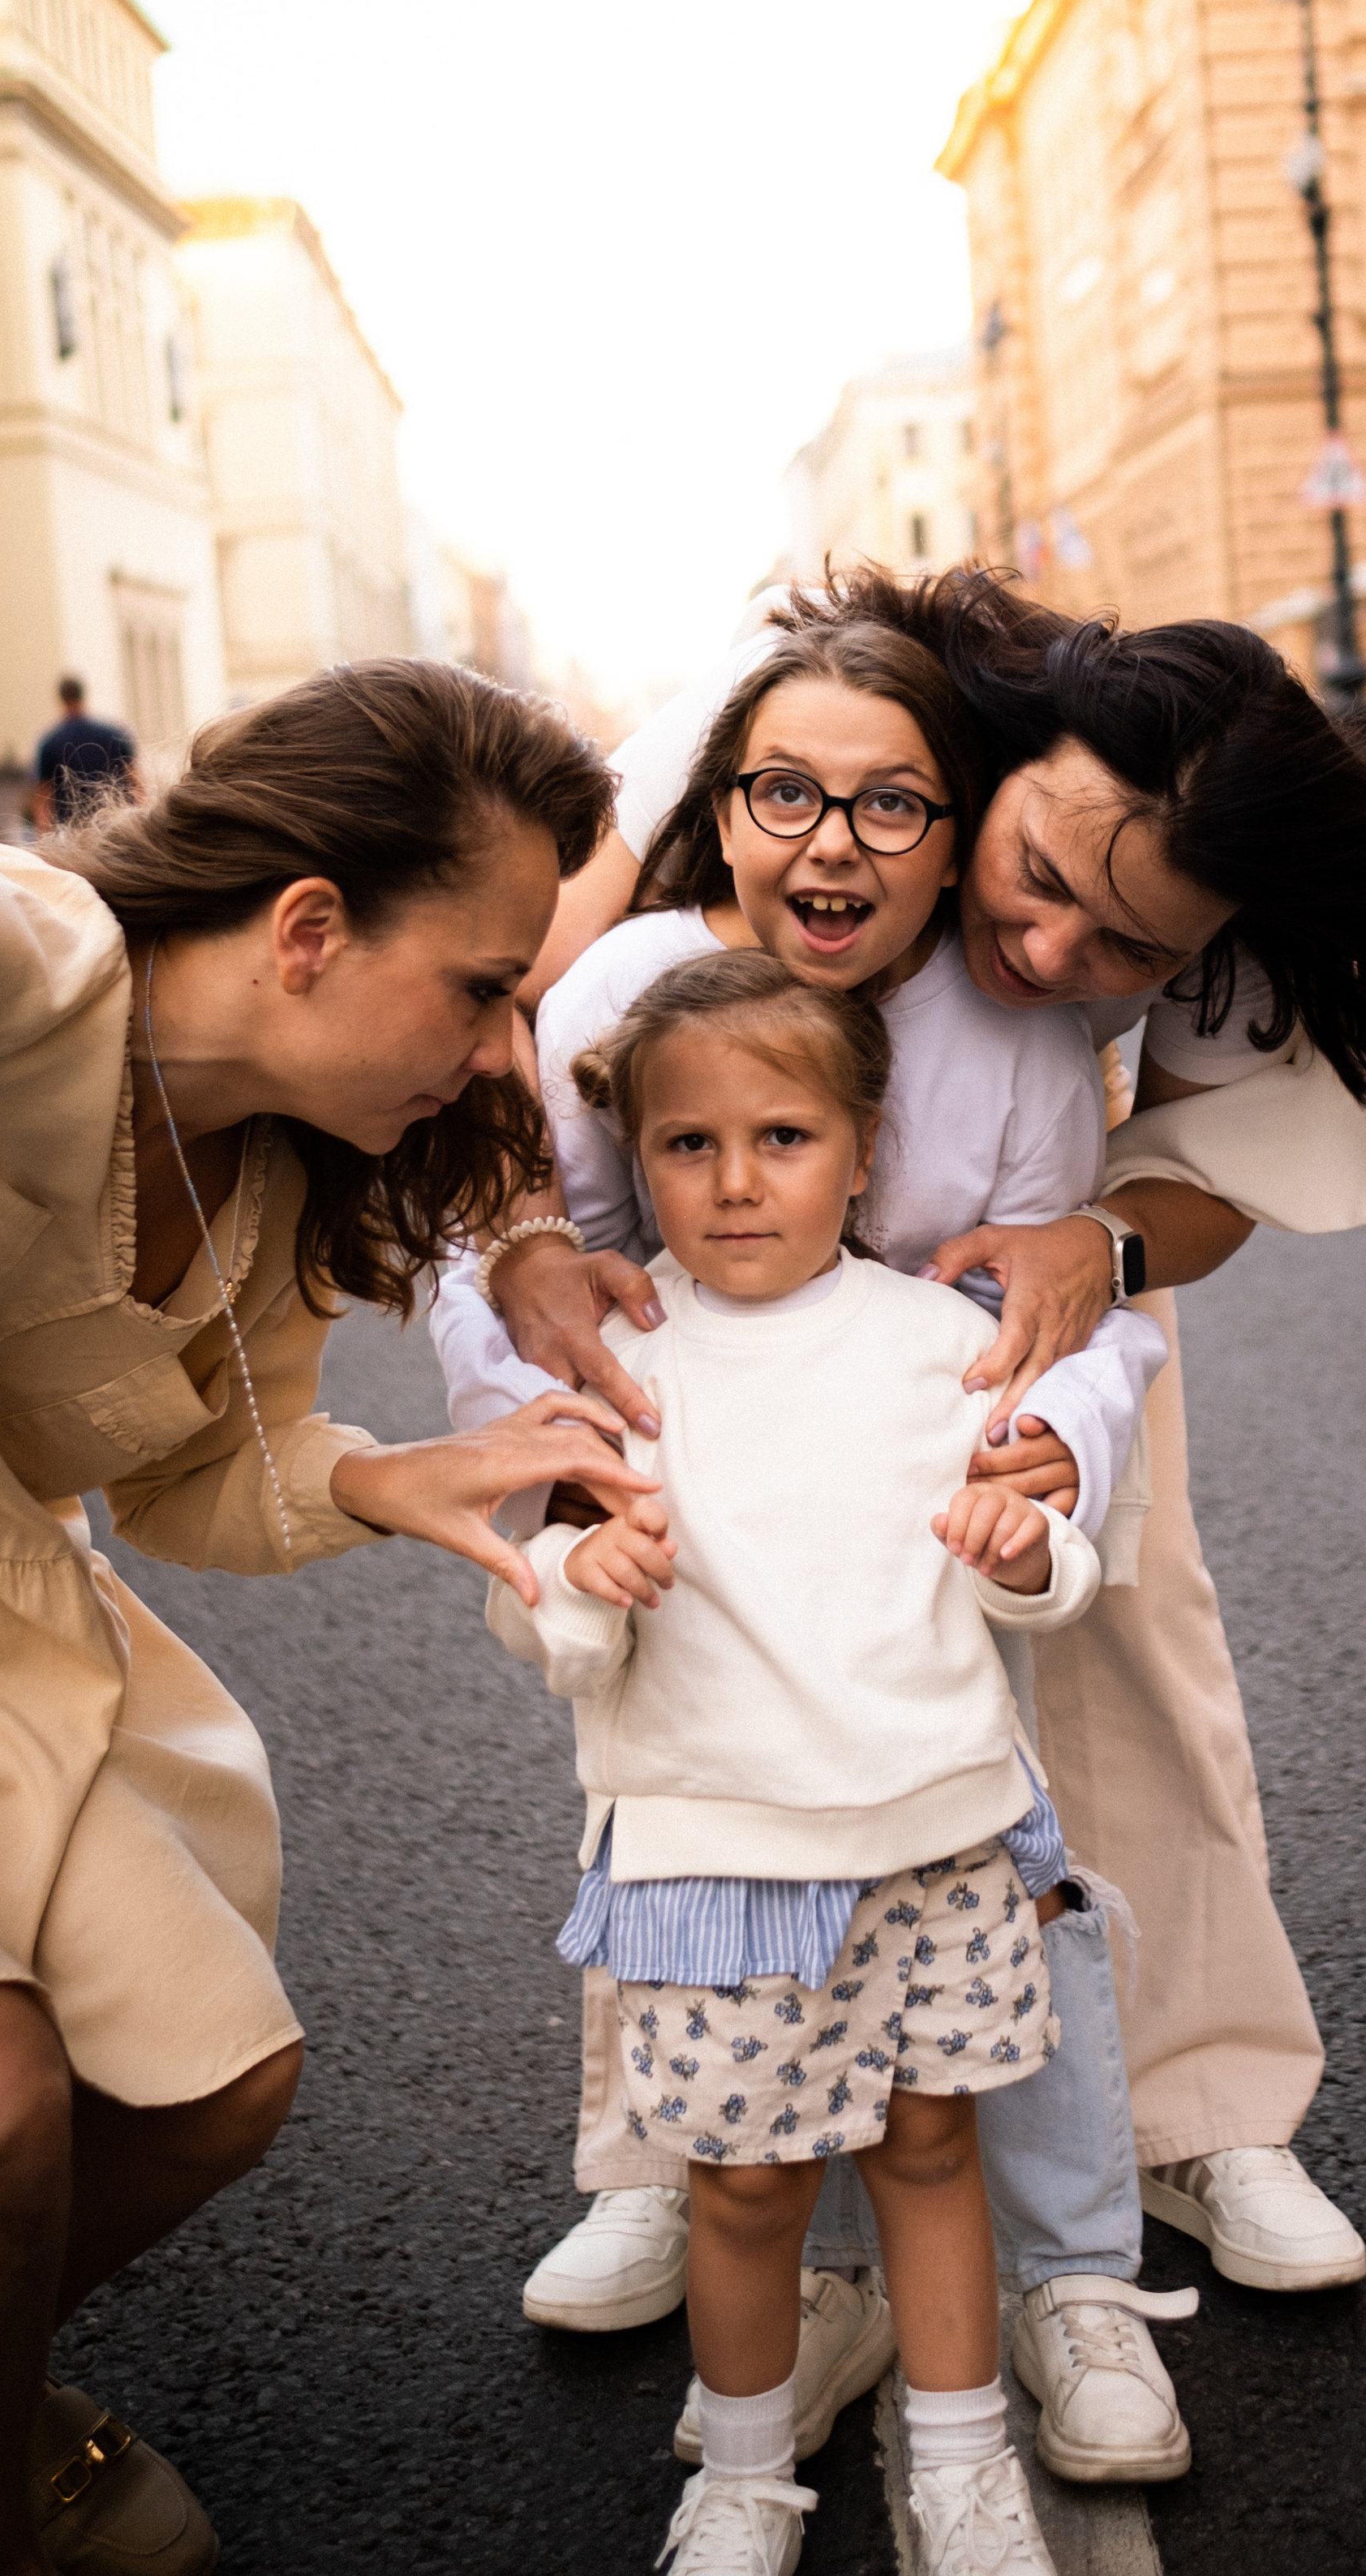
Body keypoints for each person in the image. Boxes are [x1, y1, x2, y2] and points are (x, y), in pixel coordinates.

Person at [479, 569, 1366, 2353]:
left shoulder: (1220, 876)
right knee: (690, 1652)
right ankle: (663, 2144)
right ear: (992, 759)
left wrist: (1100, 1245)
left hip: (1016, 1262)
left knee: (1125, 1644)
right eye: (1035, 881)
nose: (1051, 956)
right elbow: (516, 1014)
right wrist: (532, 1243)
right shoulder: (800, 731)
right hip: (723, 1247)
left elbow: (1229, 1164)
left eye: (1126, 954)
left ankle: (1201, 2107)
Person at [0, 660, 655, 2576]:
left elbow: (199, 1479)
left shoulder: (278, 1165)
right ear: (307, 931)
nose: (502, 1057)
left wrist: (389, 1478)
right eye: (482, 989)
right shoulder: (8, 957)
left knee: (212, 2083)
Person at [434, 617, 1192, 2490]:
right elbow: (505, 1220)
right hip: (705, 1494)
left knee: (993, 1863)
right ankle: (678, 2177)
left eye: (888, 805)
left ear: (953, 833)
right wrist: (560, 1419)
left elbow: (1067, 1290)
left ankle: (1070, 2272)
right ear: (725, 811)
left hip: (926, 1481)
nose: (832, 843)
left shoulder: (1011, 1033)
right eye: (787, 794)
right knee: (689, 1833)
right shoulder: (628, 982)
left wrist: (1057, 1436)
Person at [483, 953, 1140, 2576]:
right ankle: (743, 2478)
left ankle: (965, 2463)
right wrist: (579, 1579)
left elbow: (1050, 1565)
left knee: (930, 2151)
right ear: (639, 1162)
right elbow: (540, 1609)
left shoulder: (940, 1346)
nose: (734, 1181)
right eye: (687, 1145)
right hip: (715, 1856)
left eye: (781, 1136)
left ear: (861, 1151)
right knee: (745, 2189)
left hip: (935, 1841)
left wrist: (1024, 1552)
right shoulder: (623, 1369)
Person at [32, 675, 141, 831]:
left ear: (61, 699)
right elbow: (135, 781)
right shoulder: (114, 734)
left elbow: (44, 795)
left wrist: (42, 831)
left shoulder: (51, 742)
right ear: (83, 695)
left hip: (74, 830)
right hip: (116, 825)